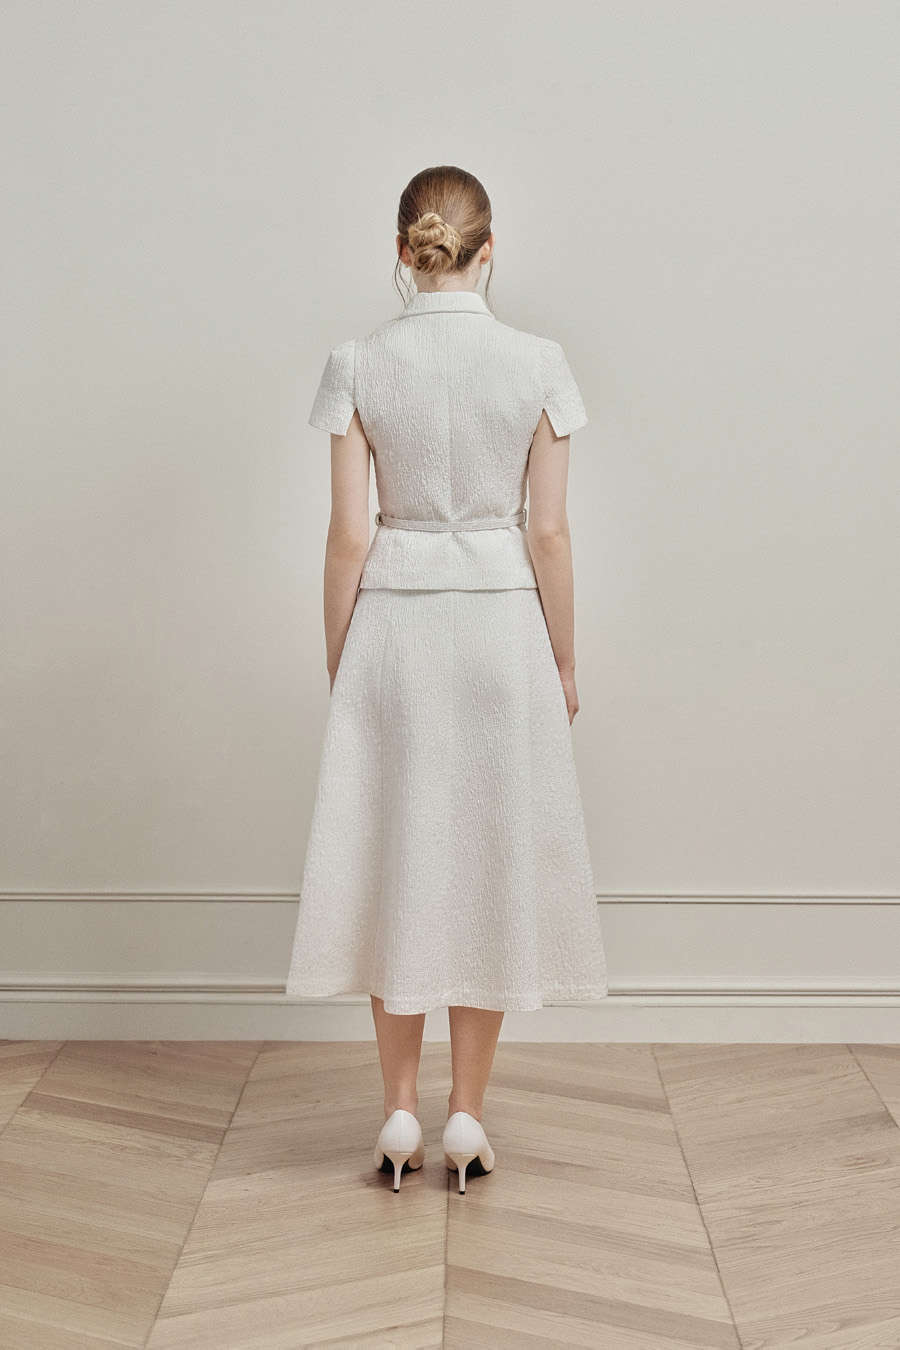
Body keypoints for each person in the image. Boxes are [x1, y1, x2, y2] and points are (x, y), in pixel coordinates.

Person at [286, 165, 608, 1193]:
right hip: (503, 630)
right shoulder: (539, 363)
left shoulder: (357, 363)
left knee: (398, 860)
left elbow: (347, 534)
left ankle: (397, 1112)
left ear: (403, 249)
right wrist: (564, 656)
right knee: (487, 866)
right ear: (489, 246)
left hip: (397, 625)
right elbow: (549, 532)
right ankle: (466, 1114)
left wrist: (341, 651)